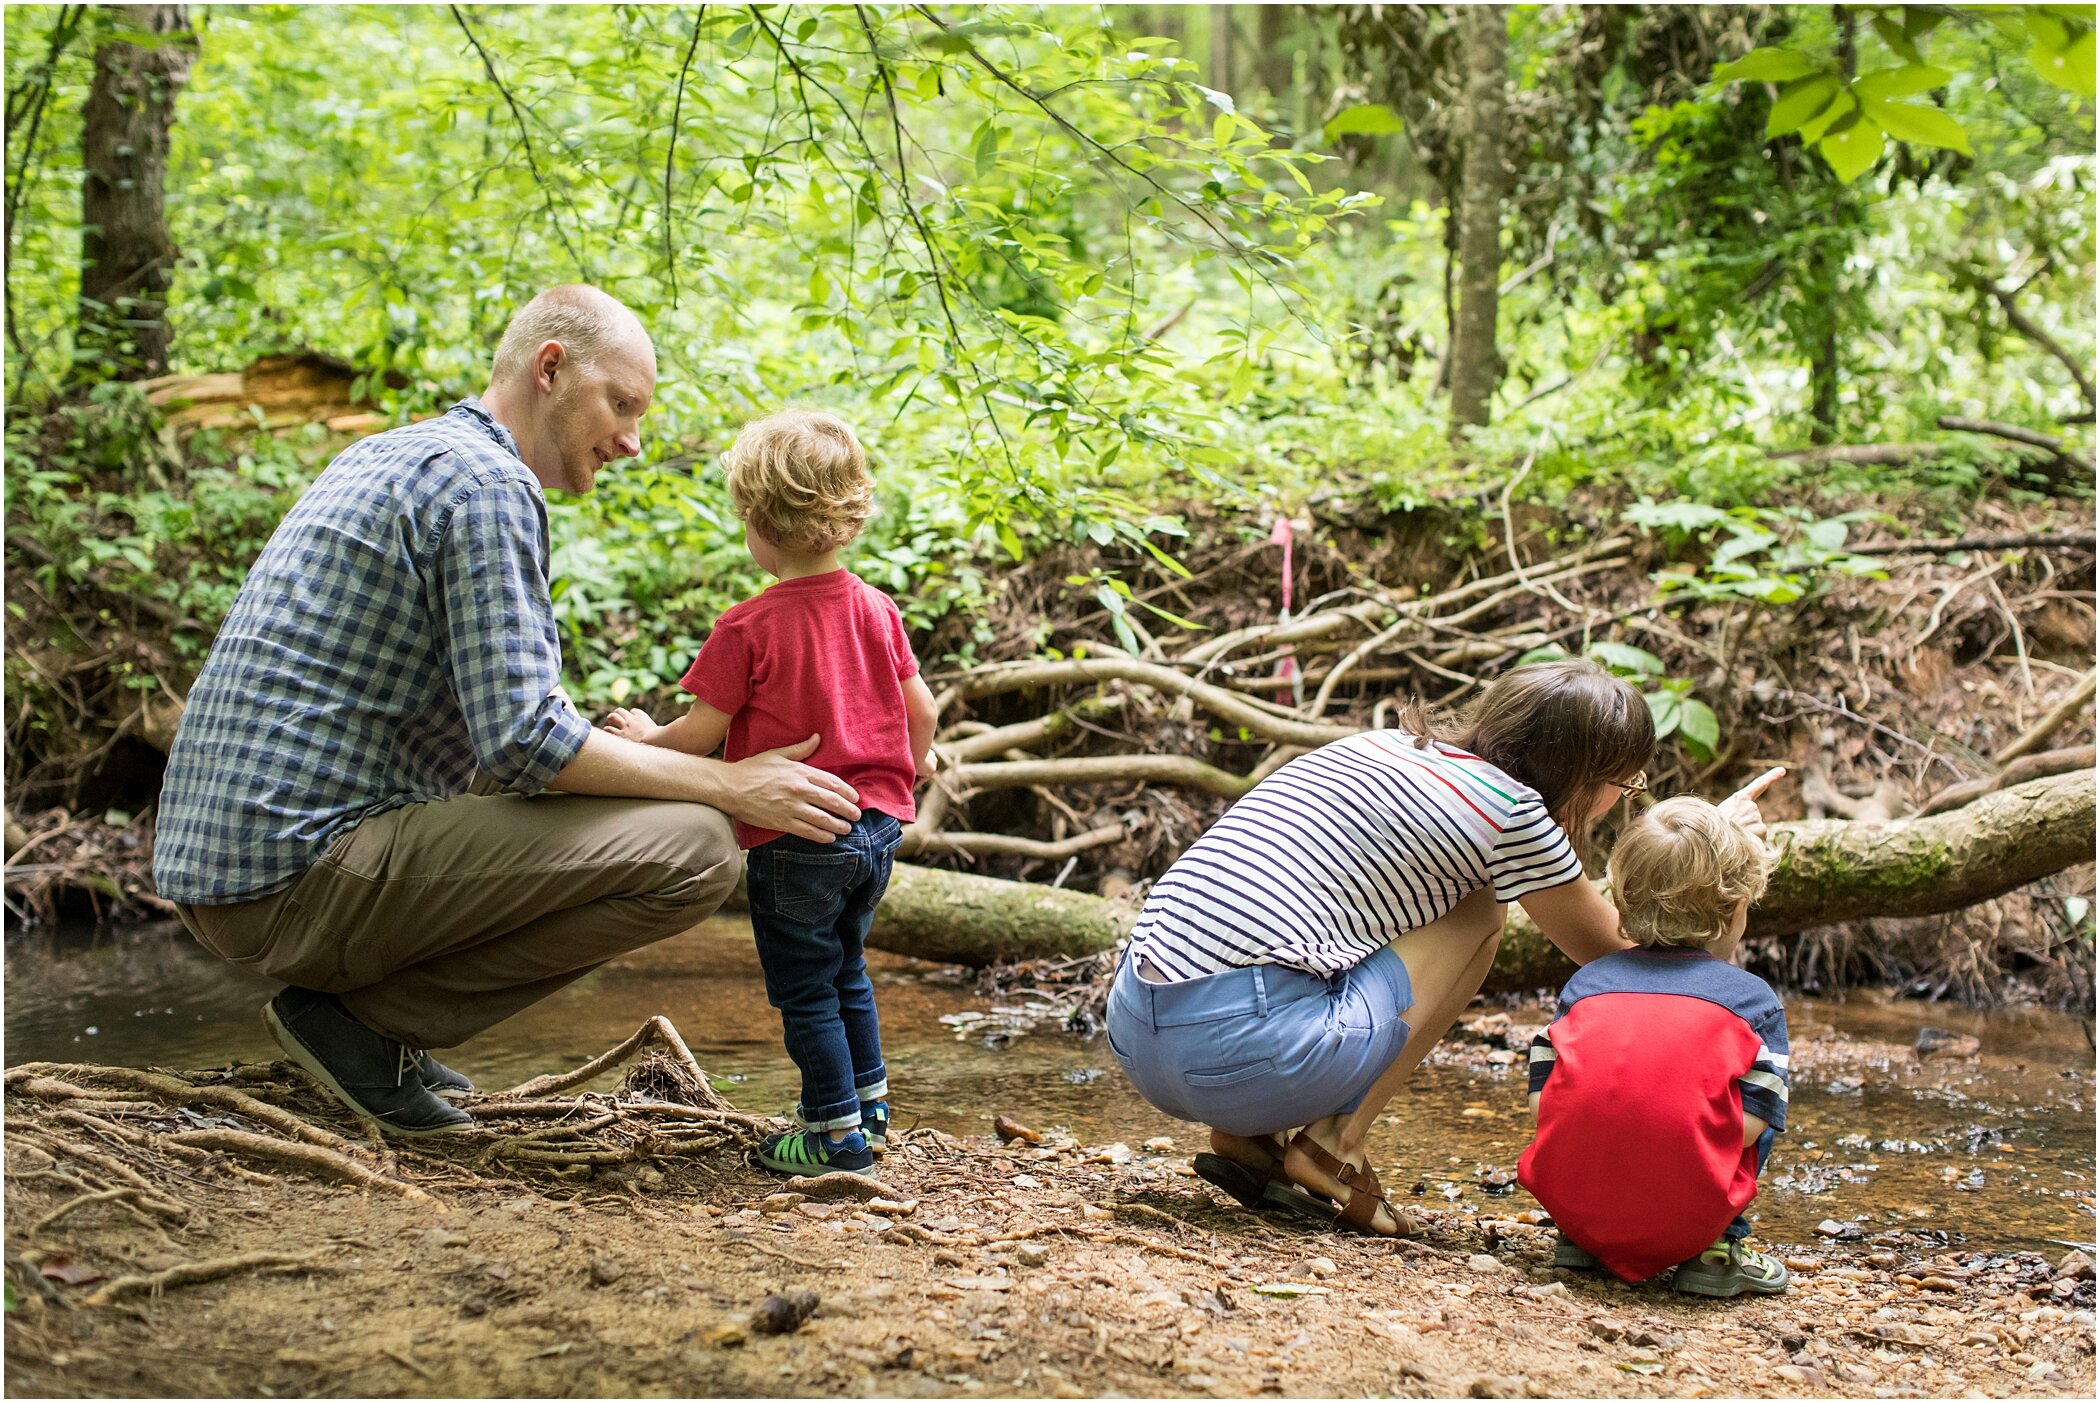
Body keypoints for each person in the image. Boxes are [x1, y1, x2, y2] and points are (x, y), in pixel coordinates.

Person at [153, 286, 863, 1136]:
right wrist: (730, 783)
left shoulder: (402, 453)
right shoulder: (487, 485)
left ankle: (367, 1027)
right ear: (552, 368)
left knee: (640, 800)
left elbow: (501, 741)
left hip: (237, 865)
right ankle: (361, 1029)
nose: (633, 441)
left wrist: (620, 760)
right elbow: (527, 742)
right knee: (698, 849)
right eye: (622, 404)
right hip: (293, 872)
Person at [1106, 657, 1779, 1236]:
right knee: (1482, 909)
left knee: (1379, 928)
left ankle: (1252, 1139)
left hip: (1137, 1030)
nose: (1619, 802)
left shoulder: (1384, 747)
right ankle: (1332, 1142)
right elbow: (1625, 957)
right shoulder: (1512, 813)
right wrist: (1712, 843)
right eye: (1624, 786)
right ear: (1580, 776)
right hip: (1236, 1053)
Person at [604, 410, 937, 1176]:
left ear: (755, 520)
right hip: (876, 828)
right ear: (849, 512)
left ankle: (830, 1133)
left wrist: (640, 737)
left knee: (805, 990)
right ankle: (870, 1107)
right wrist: (901, 775)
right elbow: (923, 713)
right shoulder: (877, 609)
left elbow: (699, 737)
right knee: (848, 967)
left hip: (797, 842)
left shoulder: (746, 628)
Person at [1517, 795, 1792, 1297]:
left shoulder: (1585, 986)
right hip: (1692, 1211)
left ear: (1622, 902)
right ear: (1735, 910)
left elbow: (1543, 1104)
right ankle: (1718, 1250)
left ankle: (1581, 1241)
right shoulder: (1754, 1003)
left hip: (1572, 1200)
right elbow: (1748, 1131)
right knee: (1764, 1107)